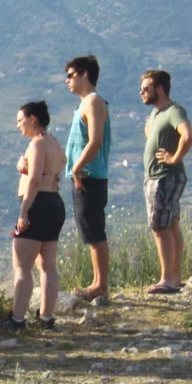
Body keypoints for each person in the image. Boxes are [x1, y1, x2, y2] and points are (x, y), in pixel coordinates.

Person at [0, 101, 67, 332]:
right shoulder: (54, 142)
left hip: (38, 204)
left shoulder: (37, 144)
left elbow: (35, 180)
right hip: (55, 204)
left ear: (33, 119)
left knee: (22, 265)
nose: (18, 126)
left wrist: (24, 211)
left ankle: (17, 319)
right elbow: (57, 167)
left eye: (20, 120)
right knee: (47, 265)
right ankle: (46, 317)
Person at [141, 69, 192, 294]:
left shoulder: (174, 111)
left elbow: (188, 134)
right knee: (171, 224)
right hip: (158, 177)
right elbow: (152, 135)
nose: (141, 92)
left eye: (146, 88)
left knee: (159, 227)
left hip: (164, 177)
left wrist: (174, 158)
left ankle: (167, 280)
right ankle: (175, 276)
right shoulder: (157, 113)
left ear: (160, 89)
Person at [64, 55, 112, 304]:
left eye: (71, 75)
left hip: (89, 175)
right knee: (90, 230)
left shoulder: (93, 102)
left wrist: (77, 168)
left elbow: (95, 141)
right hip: (85, 175)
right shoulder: (84, 104)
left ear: (85, 74)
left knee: (94, 230)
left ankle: (101, 286)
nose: (67, 81)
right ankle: (97, 282)